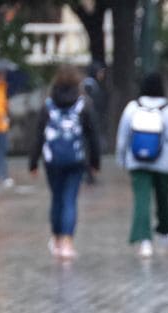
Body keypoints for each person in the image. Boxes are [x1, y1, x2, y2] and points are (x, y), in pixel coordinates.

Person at [28, 64, 100, 260]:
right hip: (76, 159)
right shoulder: (83, 104)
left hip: (52, 159)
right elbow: (92, 135)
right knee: (70, 199)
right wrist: (95, 162)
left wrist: (33, 163)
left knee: (57, 198)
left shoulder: (48, 104)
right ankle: (67, 242)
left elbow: (39, 135)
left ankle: (56, 239)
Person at [116, 72, 168, 257]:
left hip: (136, 161)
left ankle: (144, 240)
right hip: (164, 162)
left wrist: (121, 158)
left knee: (141, 200)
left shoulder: (132, 107)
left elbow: (123, 136)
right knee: (163, 199)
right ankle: (166, 231)